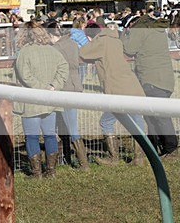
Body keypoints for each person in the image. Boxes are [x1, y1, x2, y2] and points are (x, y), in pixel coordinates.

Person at [79, 22, 147, 165]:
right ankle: (139, 157)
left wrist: (91, 42)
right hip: (132, 85)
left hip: (118, 90)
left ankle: (113, 158)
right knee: (137, 121)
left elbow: (83, 53)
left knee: (106, 122)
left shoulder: (101, 42)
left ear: (90, 36)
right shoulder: (115, 39)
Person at [14, 21, 69, 178]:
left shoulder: (24, 52)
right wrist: (53, 86)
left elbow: (25, 75)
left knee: (31, 136)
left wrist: (41, 88)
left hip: (31, 101)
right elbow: (63, 67)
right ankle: (51, 171)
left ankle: (36, 172)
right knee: (50, 134)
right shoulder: (52, 50)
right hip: (50, 99)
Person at [120, 13, 178, 159]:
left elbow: (128, 48)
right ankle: (156, 148)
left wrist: (125, 35)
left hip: (151, 78)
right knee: (152, 116)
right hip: (164, 78)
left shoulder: (140, 30)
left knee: (159, 116)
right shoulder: (155, 28)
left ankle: (171, 149)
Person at [46, 21, 88, 170]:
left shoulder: (56, 48)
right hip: (76, 85)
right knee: (68, 124)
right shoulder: (71, 43)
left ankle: (83, 163)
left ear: (51, 34)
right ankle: (71, 158)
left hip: (65, 88)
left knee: (72, 127)